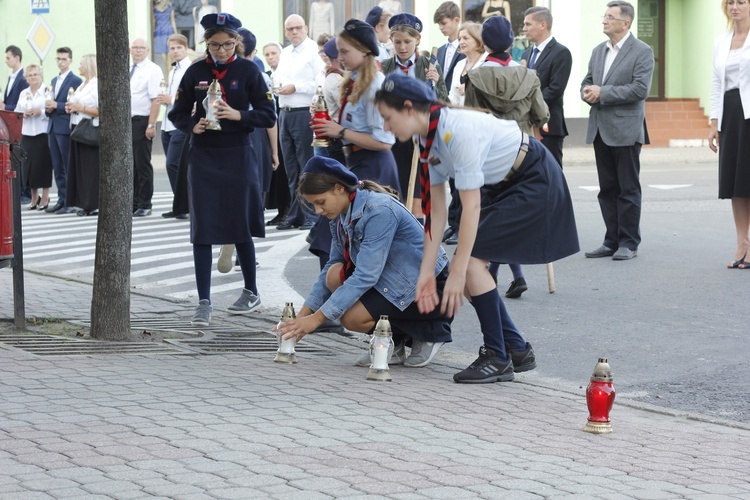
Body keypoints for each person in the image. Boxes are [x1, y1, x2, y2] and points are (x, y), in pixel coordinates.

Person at [375, 73, 579, 383]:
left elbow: (470, 206)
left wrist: (457, 270)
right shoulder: (428, 137)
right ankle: (516, 349)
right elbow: (437, 211)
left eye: (388, 118)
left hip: (532, 179)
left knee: (469, 266)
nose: (386, 127)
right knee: (470, 270)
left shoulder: (456, 131)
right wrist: (426, 273)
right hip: (504, 184)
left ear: (407, 108)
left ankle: (497, 357)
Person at [276, 156, 452, 368]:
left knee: (351, 318)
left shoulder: (378, 210)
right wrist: (301, 318)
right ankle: (391, 341)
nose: (317, 211)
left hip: (426, 287)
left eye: (320, 202)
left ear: (339, 188)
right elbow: (329, 271)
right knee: (334, 273)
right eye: (313, 205)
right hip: (390, 282)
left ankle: (430, 332)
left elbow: (367, 275)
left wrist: (316, 320)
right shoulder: (341, 214)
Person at [168, 12, 276, 326]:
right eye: (215, 45)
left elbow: (268, 115)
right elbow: (176, 113)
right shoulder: (194, 72)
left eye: (228, 44)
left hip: (238, 153)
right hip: (203, 154)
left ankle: (251, 290)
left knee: (239, 223)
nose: (222, 51)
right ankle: (204, 301)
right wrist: (192, 125)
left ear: (236, 41)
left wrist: (238, 115)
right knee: (201, 227)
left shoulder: (248, 71)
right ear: (206, 44)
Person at [465, 15, 549, 298]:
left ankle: (496, 273)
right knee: (510, 214)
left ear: (484, 43)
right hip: (523, 153)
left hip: (491, 156)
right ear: (512, 42)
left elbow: (471, 120)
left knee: (492, 214)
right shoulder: (528, 75)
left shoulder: (476, 77)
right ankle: (512, 274)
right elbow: (542, 114)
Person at [308, 19, 401, 269]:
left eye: (345, 51)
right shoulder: (354, 80)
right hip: (355, 162)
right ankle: (334, 301)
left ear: (364, 50)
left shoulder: (373, 84)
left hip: (374, 167)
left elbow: (384, 142)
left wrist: (340, 130)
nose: (340, 57)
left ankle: (340, 302)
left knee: (344, 239)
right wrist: (328, 125)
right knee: (336, 237)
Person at [581, 1, 654, 261]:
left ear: (626, 23)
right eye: (604, 16)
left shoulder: (642, 51)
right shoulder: (598, 50)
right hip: (600, 127)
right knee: (607, 188)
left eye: (610, 17)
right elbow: (588, 81)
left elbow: (639, 89)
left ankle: (629, 243)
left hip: (626, 129)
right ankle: (611, 240)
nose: (604, 21)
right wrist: (586, 92)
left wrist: (604, 93)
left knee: (628, 188)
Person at [382, 13, 448, 215]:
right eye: (398, 42)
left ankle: (419, 227)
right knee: (395, 187)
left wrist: (435, 84)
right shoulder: (384, 67)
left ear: (417, 40)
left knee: (420, 190)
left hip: (420, 134)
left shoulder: (429, 65)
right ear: (391, 40)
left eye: (408, 42)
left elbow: (443, 102)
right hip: (393, 135)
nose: (402, 47)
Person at [275, 14, 326, 231]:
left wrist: (296, 86)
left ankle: (310, 215)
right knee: (290, 168)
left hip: (304, 111)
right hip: (284, 112)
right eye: (290, 29)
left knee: (306, 165)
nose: (294, 32)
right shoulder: (285, 53)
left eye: (298, 28)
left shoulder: (314, 51)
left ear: (306, 28)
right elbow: (277, 78)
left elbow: (320, 82)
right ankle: (294, 213)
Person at [709, 0, 750, 269]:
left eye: (741, 2)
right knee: (736, 184)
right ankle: (741, 244)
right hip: (730, 115)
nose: (735, 7)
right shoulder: (721, 41)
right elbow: (715, 81)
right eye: (731, 2)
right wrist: (714, 122)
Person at [521, 6, 572, 169]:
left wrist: (527, 105)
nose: (524, 29)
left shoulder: (561, 53)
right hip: (527, 125)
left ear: (542, 25)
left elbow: (555, 90)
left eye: (528, 24)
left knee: (551, 172)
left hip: (548, 125)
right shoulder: (526, 54)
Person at [156, 34, 191, 219]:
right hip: (167, 122)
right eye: (172, 48)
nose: (175, 51)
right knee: (172, 165)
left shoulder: (189, 69)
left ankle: (187, 202)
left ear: (186, 48)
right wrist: (166, 100)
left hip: (181, 124)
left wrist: (171, 100)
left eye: (179, 47)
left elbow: (189, 98)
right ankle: (180, 203)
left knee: (173, 163)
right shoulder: (172, 71)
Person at [44, 47, 82, 215]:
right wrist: (48, 107)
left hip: (65, 126)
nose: (60, 62)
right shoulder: (53, 80)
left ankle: (70, 201)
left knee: (67, 166)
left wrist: (56, 106)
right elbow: (50, 102)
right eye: (58, 59)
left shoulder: (76, 80)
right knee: (57, 166)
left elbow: (74, 103)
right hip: (52, 126)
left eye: (64, 59)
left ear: (70, 61)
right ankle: (61, 199)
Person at [129, 37, 163, 217]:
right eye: (135, 47)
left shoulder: (152, 70)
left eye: (141, 47)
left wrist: (151, 124)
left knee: (142, 164)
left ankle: (145, 203)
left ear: (148, 50)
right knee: (131, 165)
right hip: (128, 122)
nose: (138, 50)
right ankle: (134, 201)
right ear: (130, 50)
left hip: (142, 121)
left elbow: (155, 99)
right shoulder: (129, 69)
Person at [65, 54, 100, 217]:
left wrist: (80, 107)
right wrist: (71, 107)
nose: (78, 67)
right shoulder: (81, 85)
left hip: (89, 129)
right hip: (76, 127)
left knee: (90, 169)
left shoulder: (97, 84)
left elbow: (101, 111)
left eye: (80, 64)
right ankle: (81, 201)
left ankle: (92, 204)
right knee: (78, 168)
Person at [15, 64, 52, 212]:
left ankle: (45, 196)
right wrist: (24, 114)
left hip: (42, 131)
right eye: (29, 75)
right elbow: (17, 111)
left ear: (41, 75)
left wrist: (39, 112)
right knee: (28, 166)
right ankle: (33, 196)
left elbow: (50, 110)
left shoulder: (46, 91)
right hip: (27, 132)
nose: (32, 78)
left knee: (43, 164)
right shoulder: (24, 93)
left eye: (35, 74)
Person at [263, 41, 291, 227]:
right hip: (270, 124)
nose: (271, 57)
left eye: (274, 53)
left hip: (284, 120)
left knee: (285, 169)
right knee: (276, 172)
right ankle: (280, 209)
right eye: (267, 54)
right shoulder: (266, 76)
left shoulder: (287, 73)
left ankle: (288, 209)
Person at [4, 45, 31, 205]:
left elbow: (21, 103)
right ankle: (19, 191)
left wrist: (4, 107)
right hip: (11, 121)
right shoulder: (11, 76)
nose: (6, 61)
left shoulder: (23, 78)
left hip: (19, 121)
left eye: (8, 58)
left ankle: (24, 192)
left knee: (20, 156)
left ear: (17, 58)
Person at [448, 23, 486, 106]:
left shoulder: (487, 62)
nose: (461, 42)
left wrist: (470, 90)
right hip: (462, 116)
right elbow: (454, 96)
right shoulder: (459, 65)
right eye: (459, 39)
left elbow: (492, 92)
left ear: (478, 39)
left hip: (482, 115)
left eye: (465, 38)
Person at [434, 1, 465, 91]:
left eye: (443, 23)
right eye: (438, 24)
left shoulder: (467, 49)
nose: (440, 27)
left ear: (457, 20)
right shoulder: (439, 51)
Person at [152, 0, 177, 71]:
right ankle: (168, 68)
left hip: (165, 31)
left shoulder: (169, 8)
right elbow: (153, 22)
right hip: (161, 32)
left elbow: (172, 21)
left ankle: (169, 69)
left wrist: (175, 34)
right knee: (164, 52)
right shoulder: (154, 9)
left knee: (168, 52)